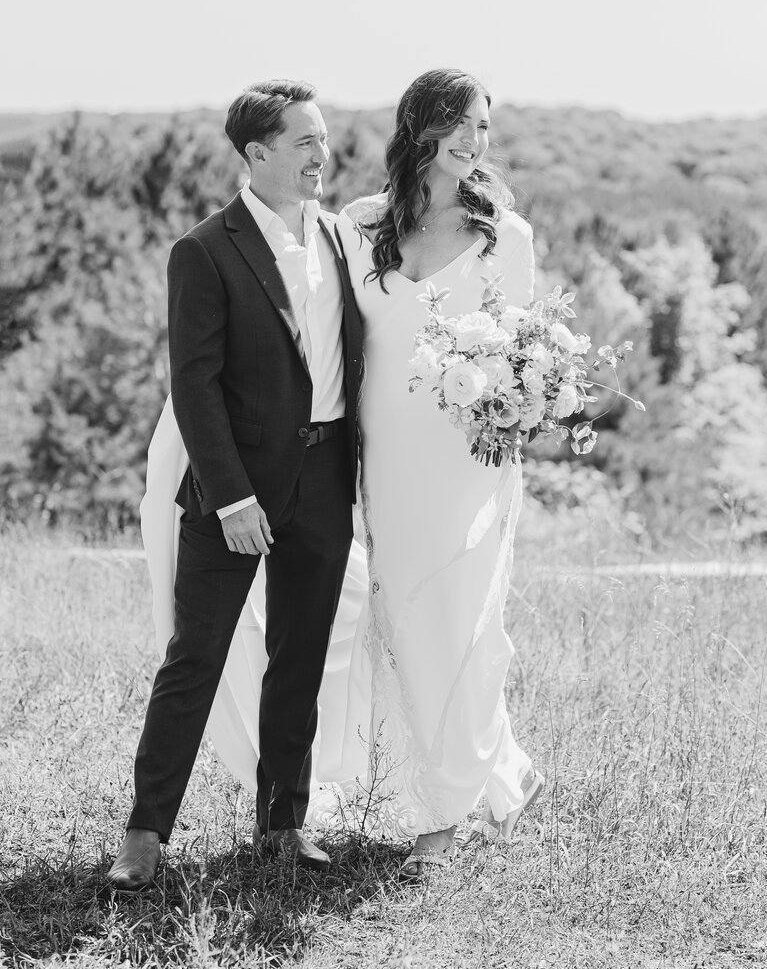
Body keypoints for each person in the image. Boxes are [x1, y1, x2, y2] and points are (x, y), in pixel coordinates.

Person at [106, 79, 363, 891]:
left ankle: (282, 824)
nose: (322, 154)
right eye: (304, 142)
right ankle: (145, 834)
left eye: (323, 139)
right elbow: (195, 384)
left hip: (326, 476)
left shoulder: (342, 240)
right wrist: (232, 496)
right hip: (235, 489)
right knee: (197, 656)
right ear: (257, 155)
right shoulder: (205, 250)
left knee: (302, 654)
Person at [335, 68, 544, 877]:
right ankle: (494, 771)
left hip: (469, 459)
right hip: (384, 456)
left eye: (483, 126)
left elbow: (523, 356)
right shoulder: (364, 227)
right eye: (459, 122)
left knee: (460, 618)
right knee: (406, 621)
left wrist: (511, 404)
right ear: (420, 126)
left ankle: (447, 812)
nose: (473, 139)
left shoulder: (506, 237)